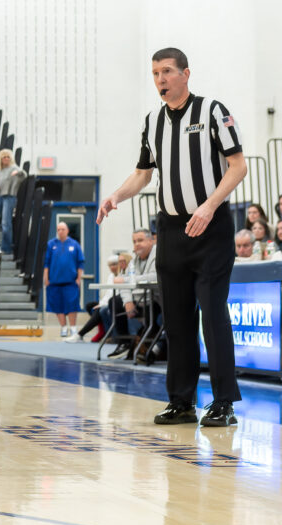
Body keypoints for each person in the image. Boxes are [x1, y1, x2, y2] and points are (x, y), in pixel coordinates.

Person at [97, 47, 245, 427]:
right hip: (171, 230)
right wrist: (115, 195)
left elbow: (238, 166)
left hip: (210, 228)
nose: (160, 80)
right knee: (176, 320)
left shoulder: (213, 111)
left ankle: (224, 403)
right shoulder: (153, 121)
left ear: (185, 74)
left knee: (212, 315)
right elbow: (143, 173)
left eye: (166, 72)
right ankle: (181, 402)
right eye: (155, 74)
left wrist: (210, 205)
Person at [43, 222, 84, 337]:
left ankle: (73, 327)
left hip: (70, 282)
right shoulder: (51, 244)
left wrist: (79, 278)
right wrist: (46, 278)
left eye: (63, 229)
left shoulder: (74, 244)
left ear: (67, 231)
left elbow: (80, 263)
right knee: (57, 305)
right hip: (54, 282)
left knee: (72, 305)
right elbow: (46, 263)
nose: (60, 231)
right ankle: (63, 327)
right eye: (58, 229)